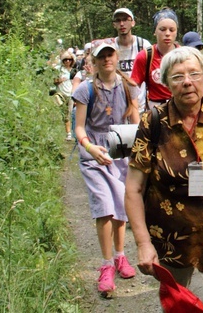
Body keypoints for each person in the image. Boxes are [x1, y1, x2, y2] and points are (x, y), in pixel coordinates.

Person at [125, 46, 203, 313]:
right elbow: (133, 189)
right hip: (171, 239)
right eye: (177, 77)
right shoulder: (153, 121)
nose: (187, 81)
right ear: (166, 83)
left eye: (194, 73)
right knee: (179, 307)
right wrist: (143, 244)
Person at [72, 39, 140, 298]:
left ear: (116, 56)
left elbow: (135, 119)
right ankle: (106, 264)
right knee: (104, 206)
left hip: (121, 150)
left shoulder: (127, 87)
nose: (107, 60)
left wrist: (141, 146)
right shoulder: (85, 91)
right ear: (94, 61)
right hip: (95, 155)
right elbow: (78, 127)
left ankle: (121, 256)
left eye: (111, 55)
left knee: (121, 206)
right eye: (102, 56)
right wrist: (90, 148)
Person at [131, 8, 179, 110]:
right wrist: (135, 114)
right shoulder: (145, 56)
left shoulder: (185, 56)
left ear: (176, 32)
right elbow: (132, 89)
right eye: (162, 29)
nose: (167, 33)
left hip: (180, 107)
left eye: (171, 30)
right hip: (155, 111)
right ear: (155, 31)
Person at [112, 7, 151, 76]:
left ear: (133, 23)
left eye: (125, 20)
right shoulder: (111, 46)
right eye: (118, 20)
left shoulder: (143, 45)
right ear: (114, 24)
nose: (121, 24)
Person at [54, 50, 76, 141]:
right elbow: (54, 81)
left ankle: (73, 132)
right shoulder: (59, 70)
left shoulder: (74, 71)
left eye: (69, 59)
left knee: (71, 113)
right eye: (65, 59)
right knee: (65, 114)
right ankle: (68, 133)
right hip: (61, 94)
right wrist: (60, 80)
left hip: (71, 94)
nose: (67, 61)